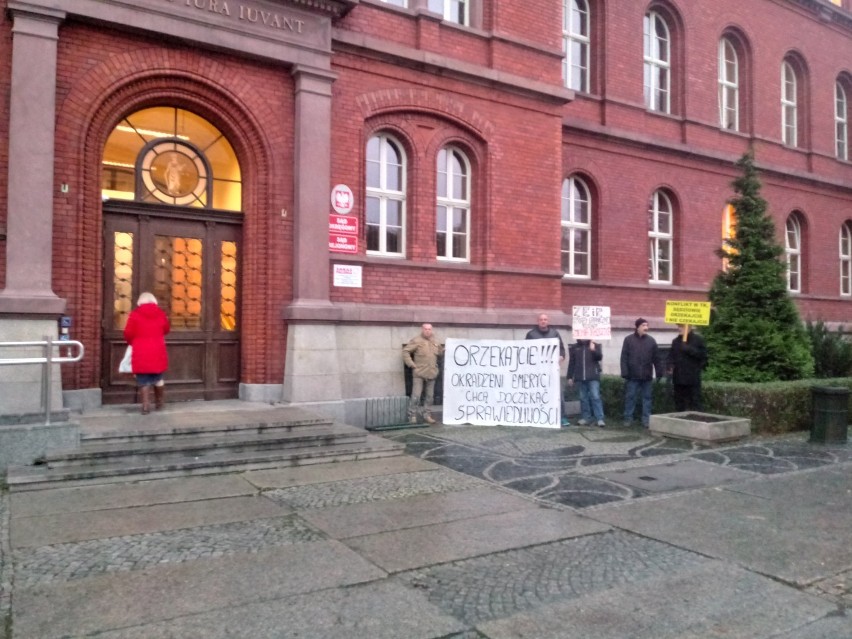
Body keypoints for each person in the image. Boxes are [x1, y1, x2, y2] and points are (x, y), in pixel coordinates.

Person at [124, 291, 170, 415]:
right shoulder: (161, 314)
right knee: (158, 377)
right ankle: (159, 403)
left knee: (143, 379)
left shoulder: (135, 315)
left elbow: (128, 333)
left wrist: (132, 342)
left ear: (140, 302)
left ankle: (146, 407)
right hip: (157, 349)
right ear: (154, 301)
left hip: (140, 349)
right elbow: (166, 329)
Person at [620, 317, 664, 428]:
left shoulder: (651, 341)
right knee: (630, 398)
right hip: (632, 376)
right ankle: (628, 418)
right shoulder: (628, 340)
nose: (646, 328)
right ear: (638, 327)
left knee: (647, 398)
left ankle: (646, 420)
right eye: (644, 325)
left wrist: (659, 372)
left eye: (647, 325)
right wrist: (625, 372)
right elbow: (624, 357)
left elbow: (657, 358)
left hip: (647, 376)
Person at [526, 313, 568, 426]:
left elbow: (562, 349)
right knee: (537, 393)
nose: (543, 321)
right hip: (537, 371)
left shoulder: (555, 333)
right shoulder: (531, 334)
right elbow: (525, 352)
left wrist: (561, 356)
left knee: (558, 393)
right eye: (541, 319)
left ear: (548, 321)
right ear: (538, 321)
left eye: (545, 319)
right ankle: (536, 416)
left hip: (552, 370)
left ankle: (561, 417)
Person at [403, 323, 444, 424]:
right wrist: (411, 364)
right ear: (422, 330)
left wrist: (443, 351)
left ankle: (427, 414)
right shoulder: (416, 340)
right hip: (419, 373)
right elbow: (405, 351)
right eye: (425, 329)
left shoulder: (435, 341)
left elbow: (439, 353)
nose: (428, 331)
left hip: (432, 372)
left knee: (430, 396)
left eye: (429, 329)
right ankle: (412, 415)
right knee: (416, 395)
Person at [666, 324, 708, 411]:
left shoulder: (698, 340)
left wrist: (688, 349)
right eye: (678, 326)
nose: (679, 329)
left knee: (695, 401)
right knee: (679, 401)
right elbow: (671, 355)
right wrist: (669, 365)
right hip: (679, 377)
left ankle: (696, 420)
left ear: (688, 327)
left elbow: (703, 355)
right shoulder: (676, 341)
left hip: (692, 377)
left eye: (681, 326)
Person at [567, 339, 605, 427]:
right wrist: (570, 376)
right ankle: (586, 417)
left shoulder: (595, 345)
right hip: (580, 377)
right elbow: (572, 362)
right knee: (583, 397)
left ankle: (599, 418)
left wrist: (593, 350)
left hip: (593, 376)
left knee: (595, 397)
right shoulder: (575, 347)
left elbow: (599, 357)